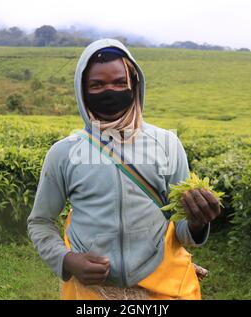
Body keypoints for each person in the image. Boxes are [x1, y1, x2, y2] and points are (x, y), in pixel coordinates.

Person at [27, 38, 221, 300]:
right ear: (82, 91)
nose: (110, 91)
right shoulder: (64, 153)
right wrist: (68, 260)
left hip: (163, 288)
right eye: (97, 84)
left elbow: (182, 229)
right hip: (93, 294)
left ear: (134, 84)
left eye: (119, 82)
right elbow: (40, 222)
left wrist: (197, 223)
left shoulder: (166, 144)